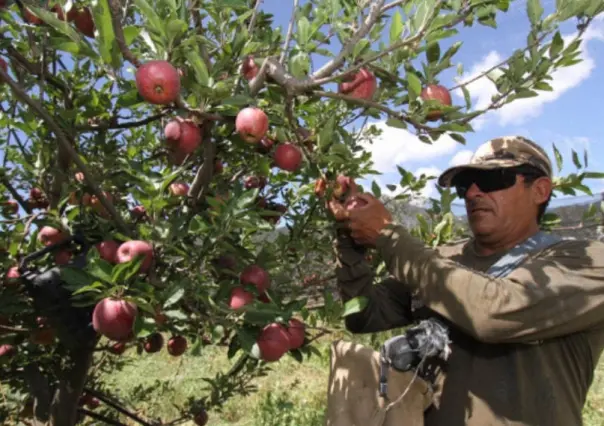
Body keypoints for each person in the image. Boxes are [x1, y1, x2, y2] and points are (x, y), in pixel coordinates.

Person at [328, 136, 604, 426]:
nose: (472, 193)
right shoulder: (443, 259)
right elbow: (362, 315)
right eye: (466, 184)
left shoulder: (584, 261)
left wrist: (388, 236)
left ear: (540, 190)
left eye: (492, 180)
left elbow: (492, 312)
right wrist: (349, 239)